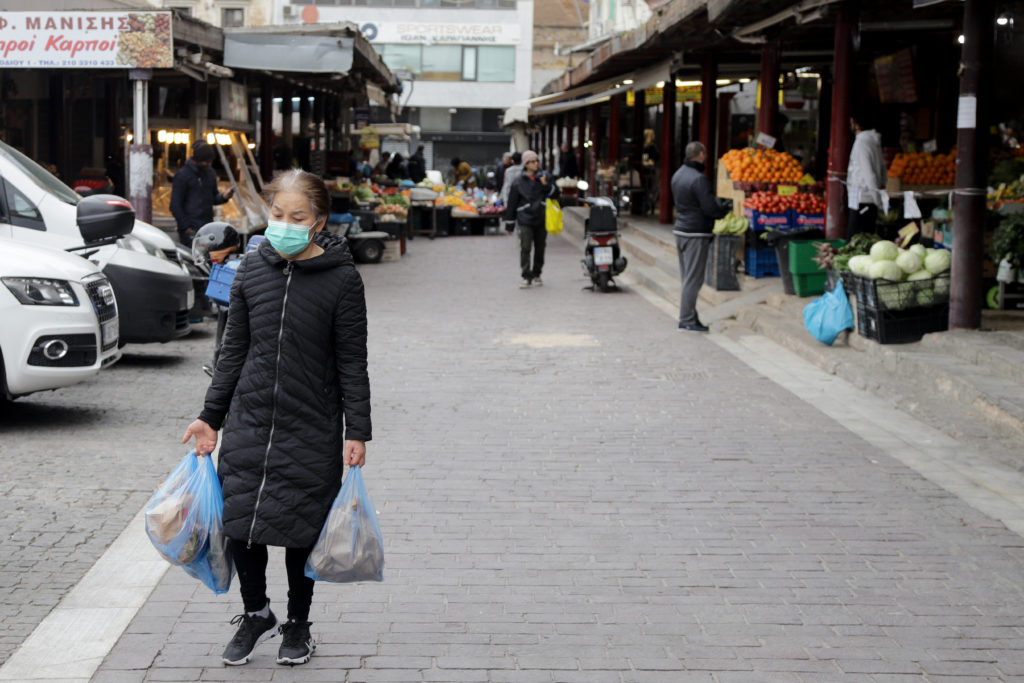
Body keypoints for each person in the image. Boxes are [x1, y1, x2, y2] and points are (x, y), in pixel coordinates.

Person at [181, 169, 371, 668]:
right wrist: (210, 417)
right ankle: (256, 612)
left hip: (312, 422)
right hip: (250, 417)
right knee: (241, 524)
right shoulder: (250, 270)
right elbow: (233, 351)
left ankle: (298, 624)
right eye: (277, 215)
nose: (283, 224)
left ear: (319, 222)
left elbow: (352, 359)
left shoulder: (343, 278)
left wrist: (358, 430)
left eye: (297, 217)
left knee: (300, 529)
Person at [670, 141, 731, 332]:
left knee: (687, 278)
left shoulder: (678, 175)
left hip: (681, 230)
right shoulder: (699, 179)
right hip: (695, 233)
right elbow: (710, 208)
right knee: (693, 280)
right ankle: (687, 319)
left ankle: (690, 316)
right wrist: (724, 209)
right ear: (702, 155)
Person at [504, 150, 560, 288]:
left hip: (541, 216)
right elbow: (512, 202)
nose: (536, 164)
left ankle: (537, 274)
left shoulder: (545, 176)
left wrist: (545, 184)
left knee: (540, 247)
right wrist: (509, 224)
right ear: (526, 164)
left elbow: (556, 194)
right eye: (533, 161)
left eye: (537, 161)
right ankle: (526, 275)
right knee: (525, 247)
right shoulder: (518, 181)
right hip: (525, 218)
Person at [170, 141, 235, 247]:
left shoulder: (210, 173)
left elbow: (214, 197)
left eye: (210, 162)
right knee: (194, 258)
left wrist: (224, 197)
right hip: (190, 229)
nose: (208, 164)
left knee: (207, 258)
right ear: (197, 160)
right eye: (206, 162)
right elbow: (175, 205)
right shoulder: (183, 176)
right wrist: (186, 227)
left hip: (207, 227)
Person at [846, 111, 887, 239]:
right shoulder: (873, 141)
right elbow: (882, 168)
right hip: (863, 198)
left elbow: (869, 174)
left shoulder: (862, 143)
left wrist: (878, 201)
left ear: (854, 122)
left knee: (857, 239)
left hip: (863, 198)